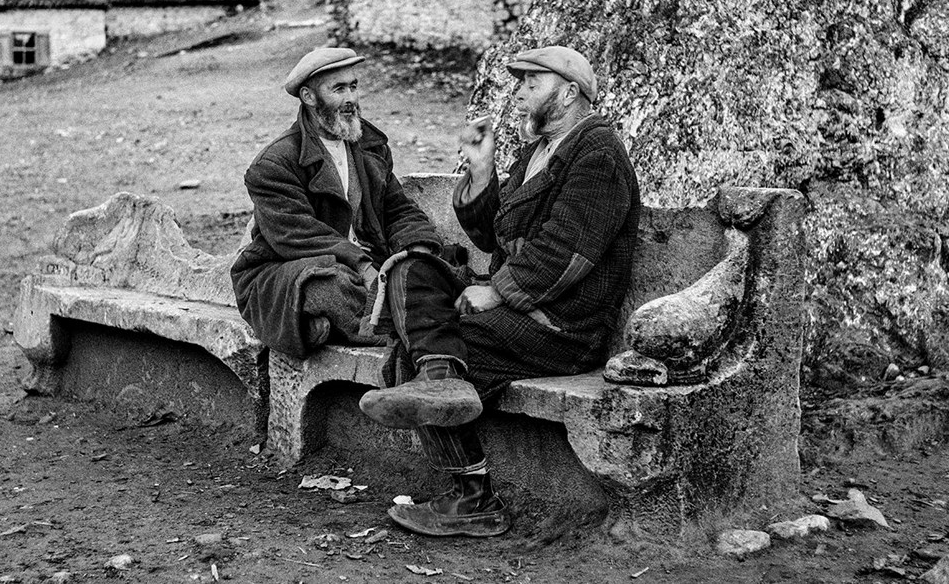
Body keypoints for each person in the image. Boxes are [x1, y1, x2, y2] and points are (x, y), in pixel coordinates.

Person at [357, 45, 642, 537]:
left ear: (569, 92)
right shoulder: (539, 152)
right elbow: (495, 236)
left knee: (425, 343)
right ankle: (439, 380)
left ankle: (472, 498)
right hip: (522, 312)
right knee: (412, 270)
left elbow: (567, 251)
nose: (521, 92)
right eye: (521, 82)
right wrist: (484, 171)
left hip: (561, 327)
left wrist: (500, 291)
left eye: (533, 83)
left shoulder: (597, 152)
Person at [230, 46, 480, 443]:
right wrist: (363, 265)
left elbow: (398, 209)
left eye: (354, 87)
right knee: (329, 286)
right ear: (309, 97)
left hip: (371, 269)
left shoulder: (369, 145)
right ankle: (417, 326)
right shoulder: (274, 164)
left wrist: (419, 247)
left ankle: (374, 321)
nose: (350, 99)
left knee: (432, 268)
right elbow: (295, 234)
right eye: (337, 89)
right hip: (286, 269)